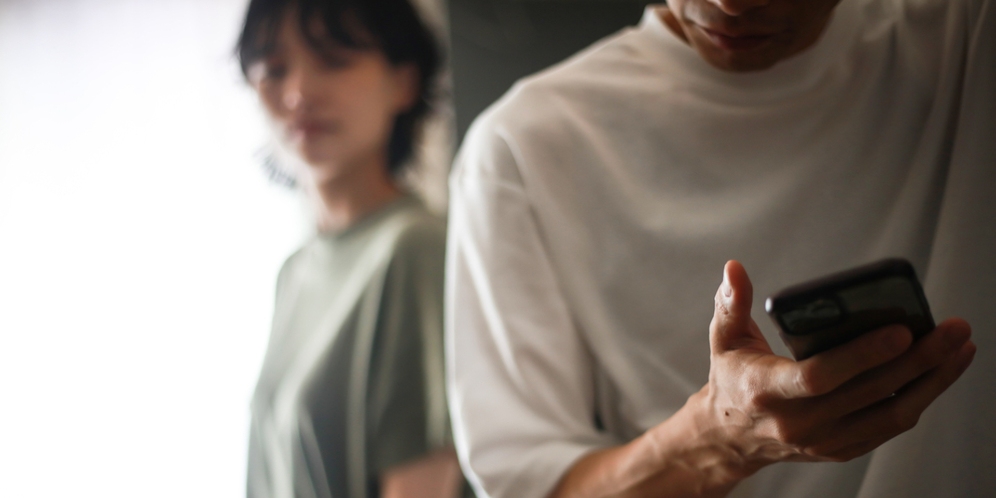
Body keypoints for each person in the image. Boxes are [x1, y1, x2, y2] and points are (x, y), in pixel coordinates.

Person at [445, 0, 995, 496]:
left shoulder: (961, 39)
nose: (730, 5)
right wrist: (717, 438)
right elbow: (534, 486)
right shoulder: (522, 148)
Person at [235, 1, 466, 497]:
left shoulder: (415, 248)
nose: (298, 93)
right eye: (274, 69)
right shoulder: (296, 271)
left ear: (403, 81)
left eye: (333, 60)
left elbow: (420, 485)